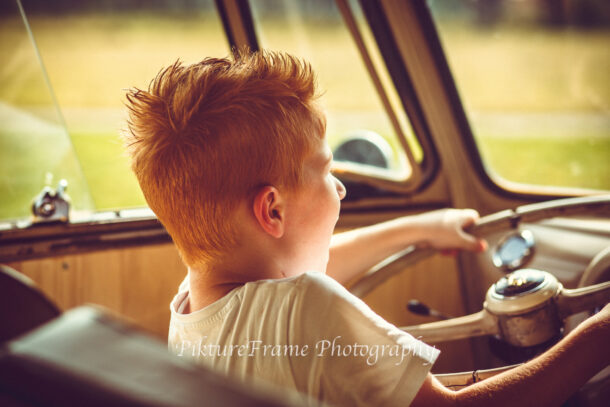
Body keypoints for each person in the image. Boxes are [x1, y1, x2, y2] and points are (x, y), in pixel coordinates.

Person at [123, 50, 609, 406]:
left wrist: (416, 229)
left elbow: (313, 268)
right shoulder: (307, 309)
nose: (340, 190)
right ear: (271, 210)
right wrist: (596, 336)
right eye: (327, 170)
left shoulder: (192, 306)